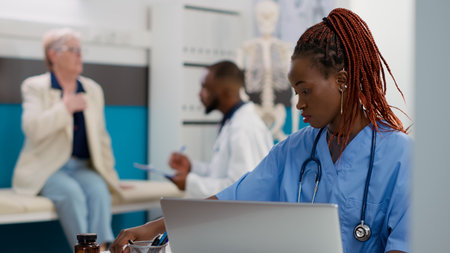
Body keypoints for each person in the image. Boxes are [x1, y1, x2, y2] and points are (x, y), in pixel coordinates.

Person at [110, 8, 411, 253]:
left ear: (342, 81)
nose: (298, 104)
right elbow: (230, 201)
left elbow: (407, 245)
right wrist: (155, 227)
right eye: (296, 92)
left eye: (305, 91)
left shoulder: (401, 156)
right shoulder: (294, 150)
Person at [12, 28, 121, 250]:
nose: (80, 55)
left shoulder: (92, 89)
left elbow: (101, 138)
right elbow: (32, 128)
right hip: (48, 168)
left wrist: (112, 177)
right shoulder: (35, 87)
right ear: (53, 55)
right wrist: (65, 108)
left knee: (100, 191)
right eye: (73, 50)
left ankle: (101, 248)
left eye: (81, 50)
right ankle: (83, 249)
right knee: (71, 194)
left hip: (82, 167)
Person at [168, 61, 273, 198]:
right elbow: (219, 173)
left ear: (227, 92)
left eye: (205, 88)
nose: (200, 94)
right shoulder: (232, 122)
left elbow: (240, 188)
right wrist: (191, 167)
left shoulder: (243, 127)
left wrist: (190, 182)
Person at [237, 0, 294, 141]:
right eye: (263, 18)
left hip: (278, 108)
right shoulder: (247, 48)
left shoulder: (283, 48)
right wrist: (241, 91)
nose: (267, 22)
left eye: (270, 18)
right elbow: (238, 73)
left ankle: (294, 135)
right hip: (256, 106)